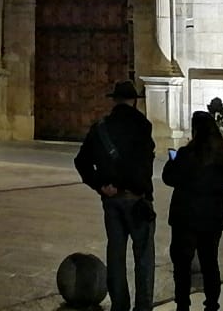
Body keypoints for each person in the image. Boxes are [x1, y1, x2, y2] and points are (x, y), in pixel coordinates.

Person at [74, 79, 156, 311]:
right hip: (137, 199)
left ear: (114, 100)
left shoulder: (101, 127)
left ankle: (119, 305)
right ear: (134, 101)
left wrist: (101, 185)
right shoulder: (143, 125)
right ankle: (143, 307)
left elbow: (81, 162)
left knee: (116, 254)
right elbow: (143, 164)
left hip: (111, 200)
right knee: (143, 257)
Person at [161, 111, 223, 311]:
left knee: (182, 265)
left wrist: (172, 159)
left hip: (185, 217)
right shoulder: (222, 158)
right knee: (210, 263)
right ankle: (212, 304)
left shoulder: (187, 155)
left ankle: (183, 305)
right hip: (212, 219)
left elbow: (168, 177)